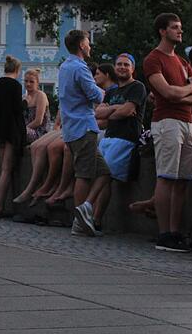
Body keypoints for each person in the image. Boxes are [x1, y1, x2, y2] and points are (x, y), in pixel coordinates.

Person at [143, 13, 192, 253]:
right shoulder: (153, 59)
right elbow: (168, 93)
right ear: (162, 31)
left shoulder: (183, 62)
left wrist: (187, 92)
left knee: (183, 180)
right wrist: (189, 89)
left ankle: (176, 231)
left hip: (188, 123)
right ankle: (164, 232)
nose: (180, 31)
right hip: (166, 121)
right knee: (167, 177)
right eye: (175, 28)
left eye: (180, 27)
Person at [57, 30, 111, 237]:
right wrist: (104, 93)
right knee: (84, 174)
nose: (89, 46)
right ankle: (80, 219)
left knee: (105, 172)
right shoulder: (81, 68)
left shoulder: (65, 66)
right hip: (84, 126)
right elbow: (94, 94)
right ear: (81, 45)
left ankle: (85, 208)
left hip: (71, 127)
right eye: (87, 43)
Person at [95, 54, 147, 216]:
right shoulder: (112, 91)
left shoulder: (137, 87)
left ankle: (94, 217)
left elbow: (128, 111)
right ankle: (91, 216)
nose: (122, 67)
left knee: (105, 177)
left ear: (132, 69)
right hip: (108, 137)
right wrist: (117, 108)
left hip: (125, 139)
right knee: (98, 177)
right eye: (119, 64)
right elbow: (98, 114)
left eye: (126, 64)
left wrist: (111, 111)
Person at [0, 56, 26, 218]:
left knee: (3, 168)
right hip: (11, 131)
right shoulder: (16, 86)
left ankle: (0, 205)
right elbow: (17, 109)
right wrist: (25, 103)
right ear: (17, 70)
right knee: (6, 170)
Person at [23, 69, 51, 144]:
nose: (28, 84)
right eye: (26, 81)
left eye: (31, 82)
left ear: (37, 83)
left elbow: (38, 121)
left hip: (40, 132)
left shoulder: (40, 95)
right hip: (26, 130)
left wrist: (22, 128)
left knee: (18, 133)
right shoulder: (24, 97)